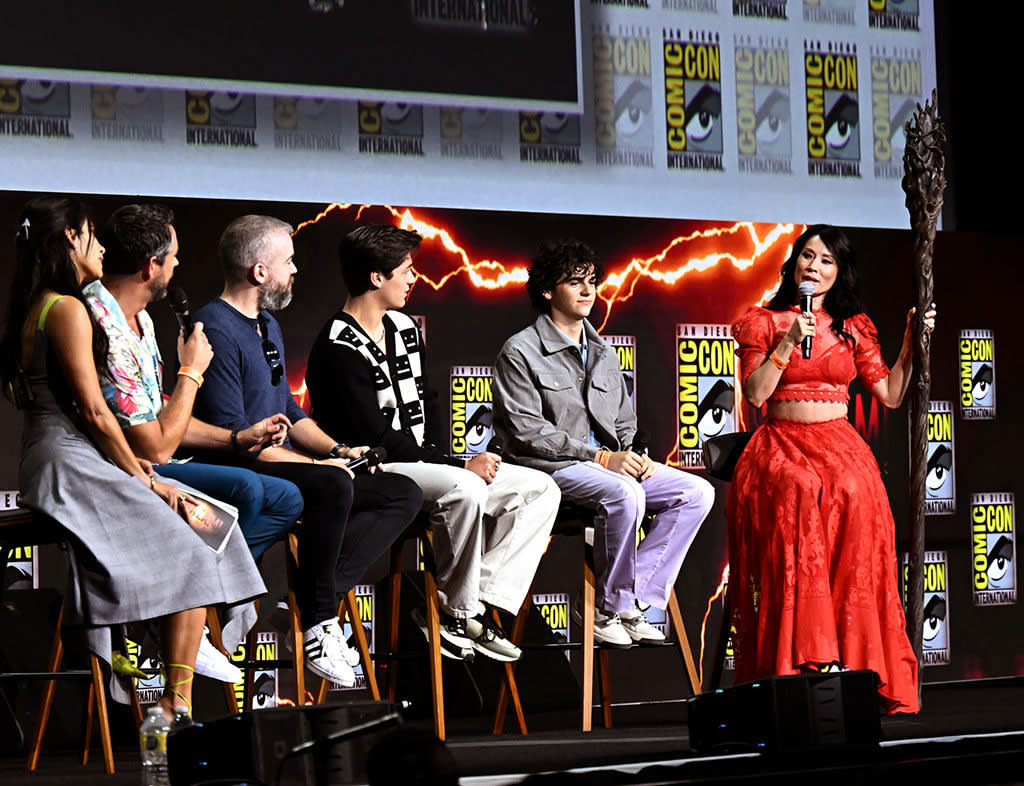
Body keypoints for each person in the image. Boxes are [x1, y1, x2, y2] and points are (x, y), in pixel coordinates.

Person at [0, 196, 265, 720]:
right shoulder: (67, 307)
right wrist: (145, 479)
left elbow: (97, 422)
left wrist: (144, 473)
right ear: (72, 240)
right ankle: (175, 699)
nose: (102, 248)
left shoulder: (42, 303)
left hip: (76, 457)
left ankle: (177, 691)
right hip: (69, 463)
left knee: (213, 525)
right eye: (93, 235)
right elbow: (96, 413)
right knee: (195, 541)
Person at [305, 225, 559, 661]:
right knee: (466, 488)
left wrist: (451, 460)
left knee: (539, 490)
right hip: (375, 469)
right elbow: (374, 437)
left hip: (428, 463)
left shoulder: (404, 327)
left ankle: (466, 603)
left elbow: (430, 404)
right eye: (405, 270)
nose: (412, 278)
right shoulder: (336, 346)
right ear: (375, 278)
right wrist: (458, 469)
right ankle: (461, 614)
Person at [192, 215, 422, 687]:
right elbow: (243, 442)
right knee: (333, 482)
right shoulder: (214, 326)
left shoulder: (268, 325)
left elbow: (292, 415)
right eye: (289, 262)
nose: (295, 270)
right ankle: (318, 622)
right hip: (239, 466)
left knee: (400, 492)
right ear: (260, 272)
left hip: (282, 463)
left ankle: (312, 597)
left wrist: (341, 448)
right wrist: (322, 464)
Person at [83, 203, 304, 683]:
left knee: (285, 495)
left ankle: (211, 598)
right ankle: (191, 608)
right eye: (174, 256)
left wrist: (234, 436)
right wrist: (191, 372)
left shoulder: (140, 321)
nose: (180, 265)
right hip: (124, 469)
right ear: (151, 266)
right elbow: (156, 448)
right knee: (243, 491)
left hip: (151, 455)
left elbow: (159, 414)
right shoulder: (104, 324)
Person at [727, 223, 935, 714]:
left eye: (825, 261)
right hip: (781, 443)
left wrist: (911, 344)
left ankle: (852, 661)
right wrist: (785, 344)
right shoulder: (766, 321)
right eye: (807, 256)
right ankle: (804, 661)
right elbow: (756, 395)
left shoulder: (853, 325)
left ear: (838, 273)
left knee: (855, 489)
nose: (813, 267)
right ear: (793, 264)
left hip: (838, 443)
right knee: (799, 488)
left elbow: (889, 393)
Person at [493, 239, 714, 647]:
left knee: (696, 492)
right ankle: (607, 608)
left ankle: (635, 601)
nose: (587, 291)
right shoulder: (520, 350)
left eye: (592, 281)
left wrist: (636, 455)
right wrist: (599, 457)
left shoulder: (604, 351)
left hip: (608, 464)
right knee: (624, 492)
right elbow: (527, 432)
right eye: (574, 282)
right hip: (550, 469)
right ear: (547, 291)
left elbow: (624, 420)